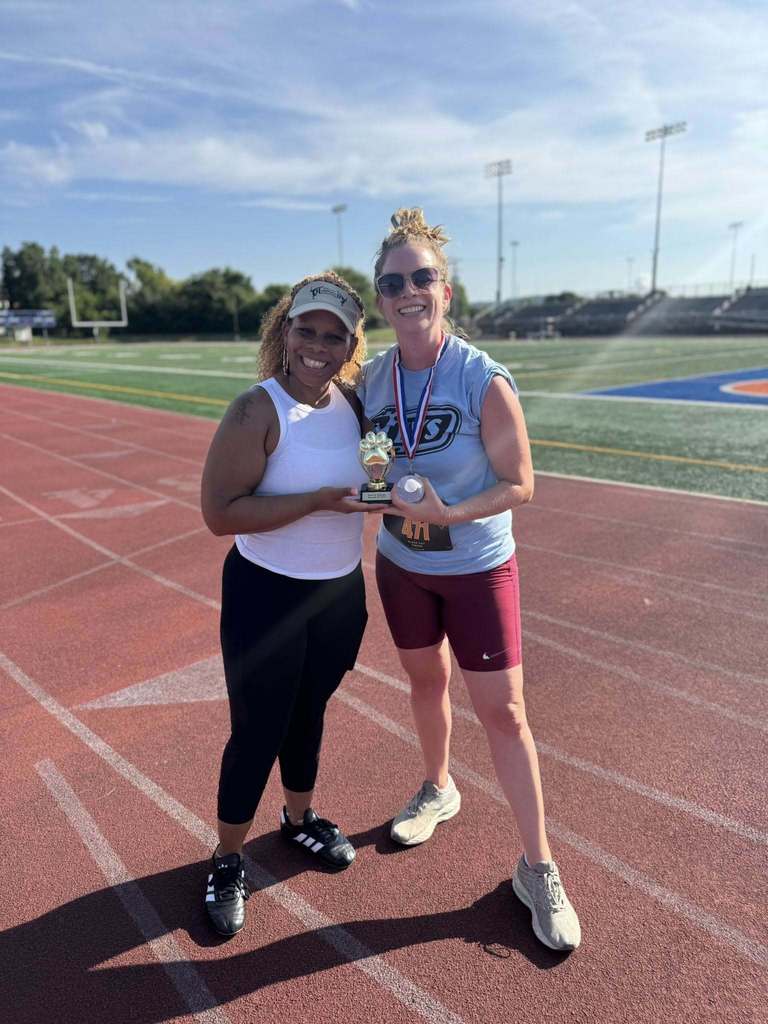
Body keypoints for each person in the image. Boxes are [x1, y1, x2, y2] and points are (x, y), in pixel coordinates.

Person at [361, 209, 582, 952]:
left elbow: (521, 482)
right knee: (425, 686)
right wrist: (373, 489)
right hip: (402, 566)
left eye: (422, 277)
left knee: (506, 714)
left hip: (477, 565)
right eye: (393, 282)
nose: (408, 291)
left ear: (444, 291)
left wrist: (452, 512)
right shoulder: (375, 380)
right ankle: (438, 787)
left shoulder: (481, 377)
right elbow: (372, 462)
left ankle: (538, 868)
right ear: (383, 299)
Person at [200, 271, 379, 937]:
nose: (319, 346)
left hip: (338, 591)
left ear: (350, 345)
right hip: (266, 593)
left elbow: (377, 473)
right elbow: (220, 514)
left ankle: (299, 820)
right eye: (307, 330)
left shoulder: (357, 406)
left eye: (335, 336)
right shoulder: (256, 407)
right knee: (257, 731)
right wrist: (316, 501)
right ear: (285, 331)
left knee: (310, 712)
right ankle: (226, 859)